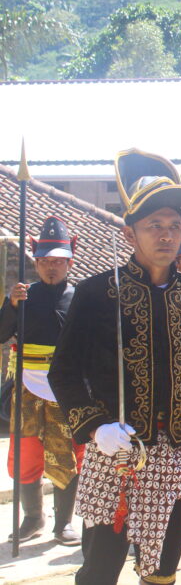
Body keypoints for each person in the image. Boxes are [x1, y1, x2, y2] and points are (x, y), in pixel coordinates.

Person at [48, 149, 181, 585]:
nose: (166, 236)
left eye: (173, 227)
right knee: (99, 570)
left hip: (177, 451)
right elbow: (64, 371)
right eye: (154, 226)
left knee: (164, 570)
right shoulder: (95, 293)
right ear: (130, 233)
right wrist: (95, 427)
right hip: (116, 450)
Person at [1, 216, 81, 545]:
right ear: (37, 263)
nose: (52, 268)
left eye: (58, 262)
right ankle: (33, 517)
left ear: (69, 263)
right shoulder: (23, 295)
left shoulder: (80, 298)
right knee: (25, 455)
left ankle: (63, 522)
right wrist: (10, 304)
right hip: (29, 386)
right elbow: (2, 333)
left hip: (66, 388)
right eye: (46, 261)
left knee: (67, 455)